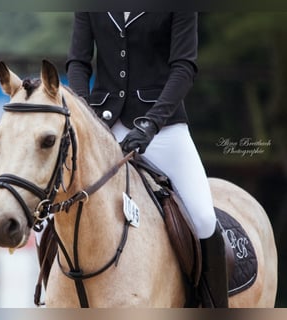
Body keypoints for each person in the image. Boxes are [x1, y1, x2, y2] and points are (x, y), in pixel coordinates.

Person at [66, 12, 228, 307]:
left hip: (164, 127)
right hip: (103, 125)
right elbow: (78, 62)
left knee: (204, 219)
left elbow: (184, 67)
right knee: (53, 215)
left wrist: (151, 123)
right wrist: (83, 115)